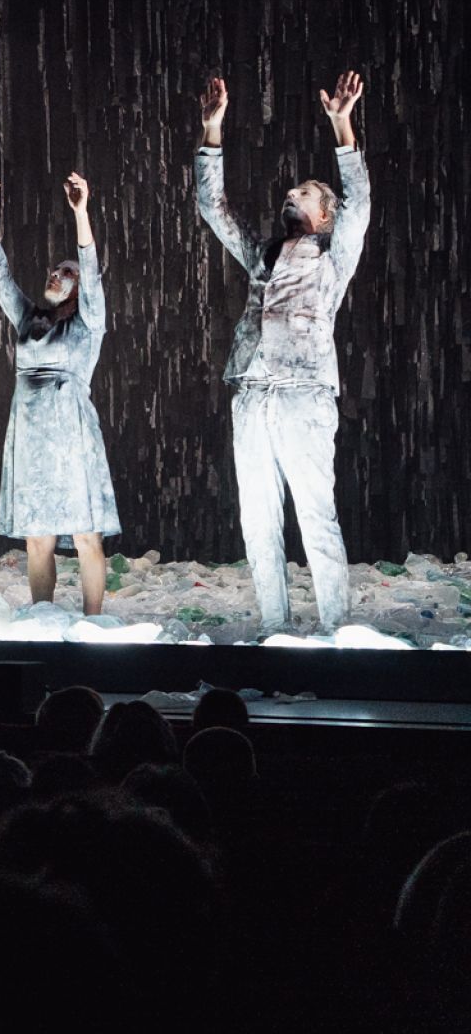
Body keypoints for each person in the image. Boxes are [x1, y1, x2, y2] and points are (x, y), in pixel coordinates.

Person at [196, 71, 370, 634]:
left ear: (325, 215)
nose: (291, 195)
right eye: (289, 192)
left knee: (315, 515)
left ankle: (337, 628)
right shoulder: (263, 255)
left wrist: (342, 126)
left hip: (303, 393)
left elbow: (361, 204)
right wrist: (212, 130)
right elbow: (213, 208)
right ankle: (275, 627)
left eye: (305, 193)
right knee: (257, 519)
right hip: (252, 392)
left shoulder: (333, 255)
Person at [0, 170, 119, 615]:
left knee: (86, 534)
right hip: (32, 436)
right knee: (38, 538)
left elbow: (91, 270)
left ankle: (92, 621)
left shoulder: (88, 323)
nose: (56, 275)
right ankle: (43, 618)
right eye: (54, 271)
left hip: (71, 436)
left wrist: (81, 213)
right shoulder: (29, 320)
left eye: (66, 272)